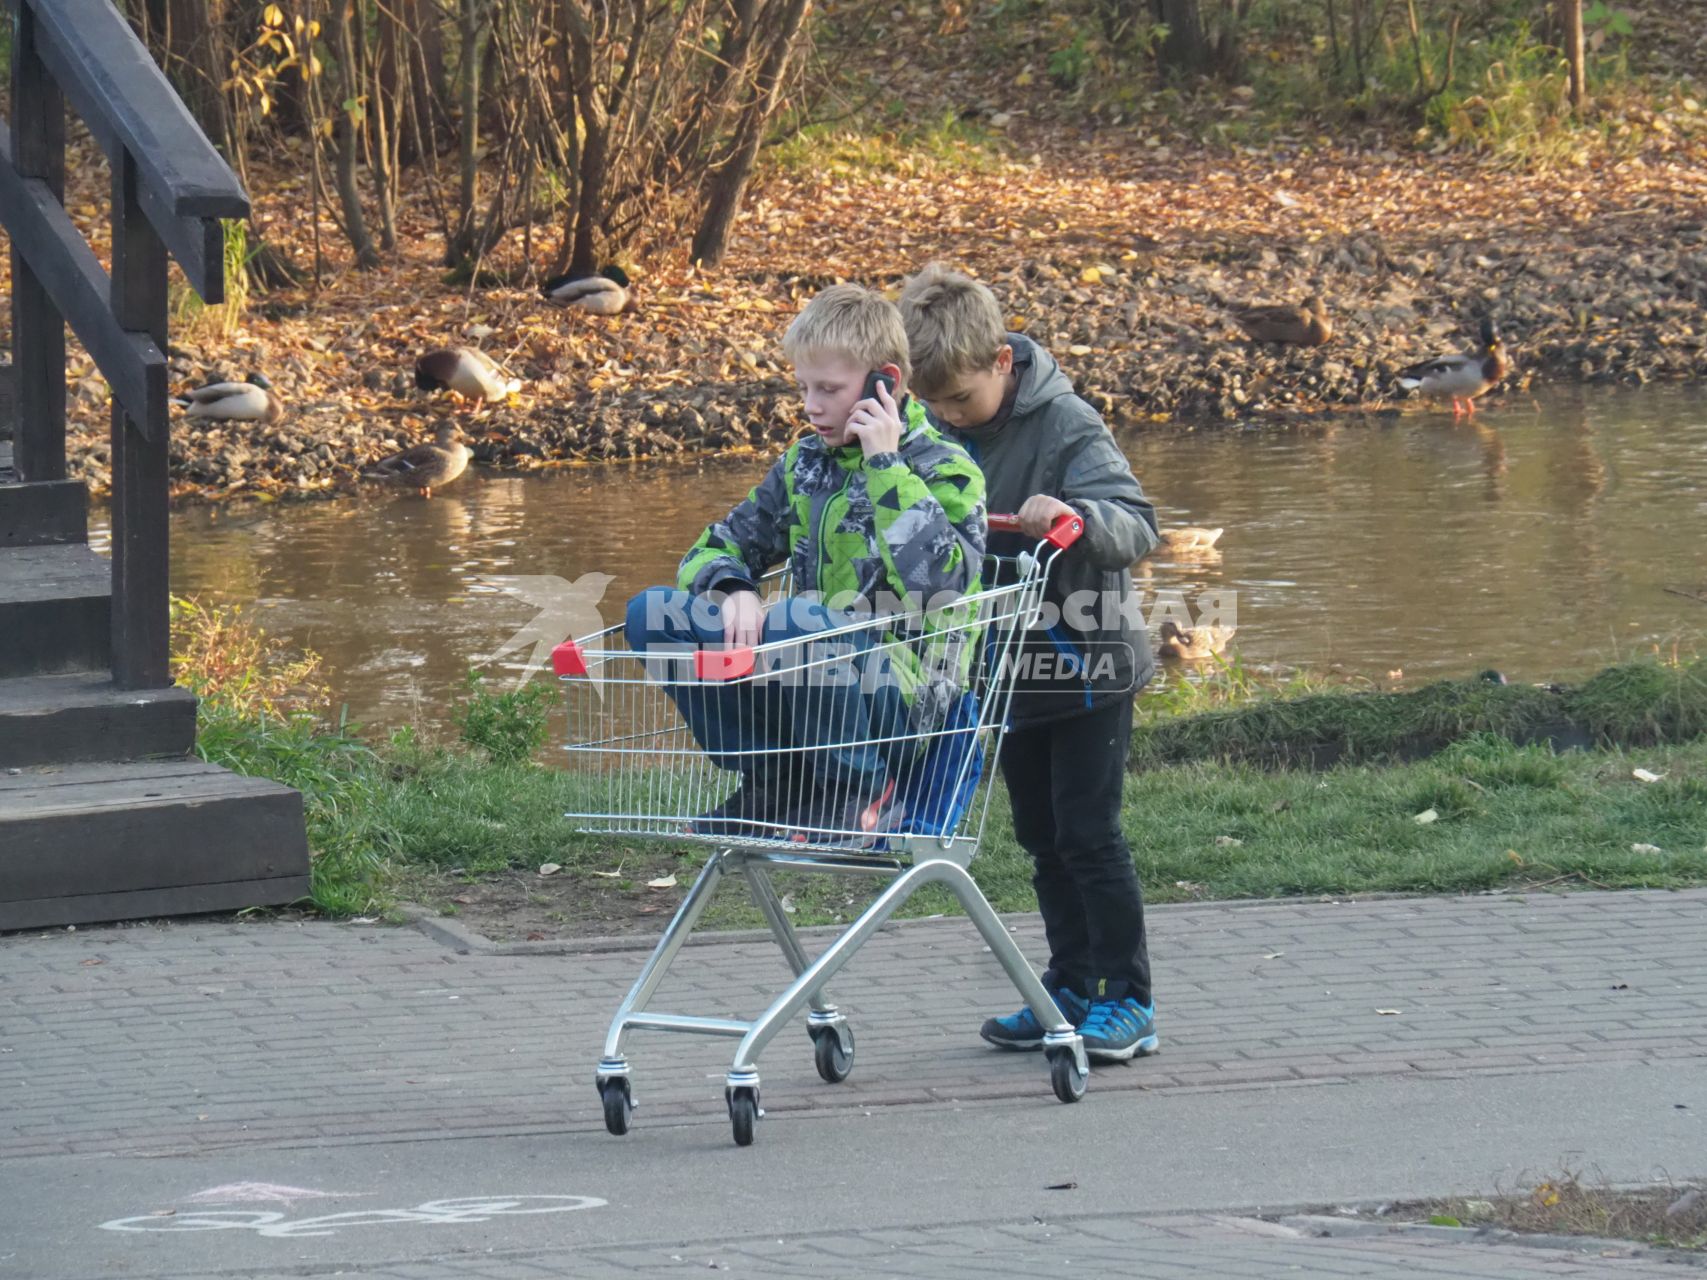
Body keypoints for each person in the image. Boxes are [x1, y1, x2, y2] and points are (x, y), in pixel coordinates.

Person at [900, 262, 1161, 1061]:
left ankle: (1128, 999)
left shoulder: (1066, 424)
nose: (947, 417)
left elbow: (1138, 524)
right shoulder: (932, 435)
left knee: (1089, 834)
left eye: (959, 401)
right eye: (932, 404)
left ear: (1001, 363)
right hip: (1003, 669)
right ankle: (1072, 984)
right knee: (1039, 836)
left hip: (1085, 667)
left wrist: (1075, 514)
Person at [624, 283, 987, 842]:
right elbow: (714, 544)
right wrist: (731, 586)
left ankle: (862, 793)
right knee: (653, 614)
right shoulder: (805, 464)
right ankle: (773, 782)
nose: (811, 406)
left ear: (882, 382)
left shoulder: (946, 467)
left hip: (909, 703)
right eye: (803, 387)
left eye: (829, 389)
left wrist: (885, 463)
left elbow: (940, 584)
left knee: (797, 619)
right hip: (814, 679)